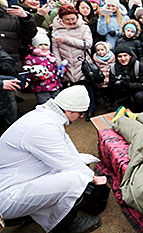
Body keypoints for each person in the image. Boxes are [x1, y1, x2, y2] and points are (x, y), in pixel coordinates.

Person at [0, 85, 103, 233]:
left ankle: (38, 212)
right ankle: (63, 226)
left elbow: (67, 148)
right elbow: (68, 163)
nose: (81, 116)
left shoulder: (47, 116)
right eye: (81, 113)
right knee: (76, 178)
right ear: (70, 110)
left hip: (17, 179)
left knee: (81, 165)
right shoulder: (44, 126)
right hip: (6, 196)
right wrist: (94, 179)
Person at [52, 5, 95, 120]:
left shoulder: (84, 28)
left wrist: (66, 40)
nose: (71, 21)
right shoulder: (56, 30)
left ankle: (91, 109)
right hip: (66, 64)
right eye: (67, 19)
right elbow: (55, 49)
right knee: (72, 89)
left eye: (73, 18)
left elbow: (88, 44)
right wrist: (59, 64)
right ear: (61, 19)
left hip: (82, 63)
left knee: (87, 87)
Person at [24, 29, 61, 104]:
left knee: (57, 104)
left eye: (46, 44)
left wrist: (59, 71)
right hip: (41, 87)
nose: (43, 47)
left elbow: (54, 69)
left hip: (54, 86)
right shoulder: (31, 58)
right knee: (44, 104)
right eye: (40, 45)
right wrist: (36, 75)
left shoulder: (51, 56)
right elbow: (28, 72)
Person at [109, 45, 143, 112]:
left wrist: (128, 84)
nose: (123, 59)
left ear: (130, 56)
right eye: (120, 56)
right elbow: (111, 86)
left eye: (125, 55)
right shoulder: (114, 68)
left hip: (138, 92)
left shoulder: (139, 66)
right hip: (122, 94)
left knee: (141, 97)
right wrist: (118, 84)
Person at [93, 41, 115, 109]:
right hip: (101, 81)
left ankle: (110, 103)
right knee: (102, 92)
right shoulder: (95, 59)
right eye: (98, 50)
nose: (100, 52)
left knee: (110, 93)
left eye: (102, 50)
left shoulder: (111, 57)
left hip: (110, 80)